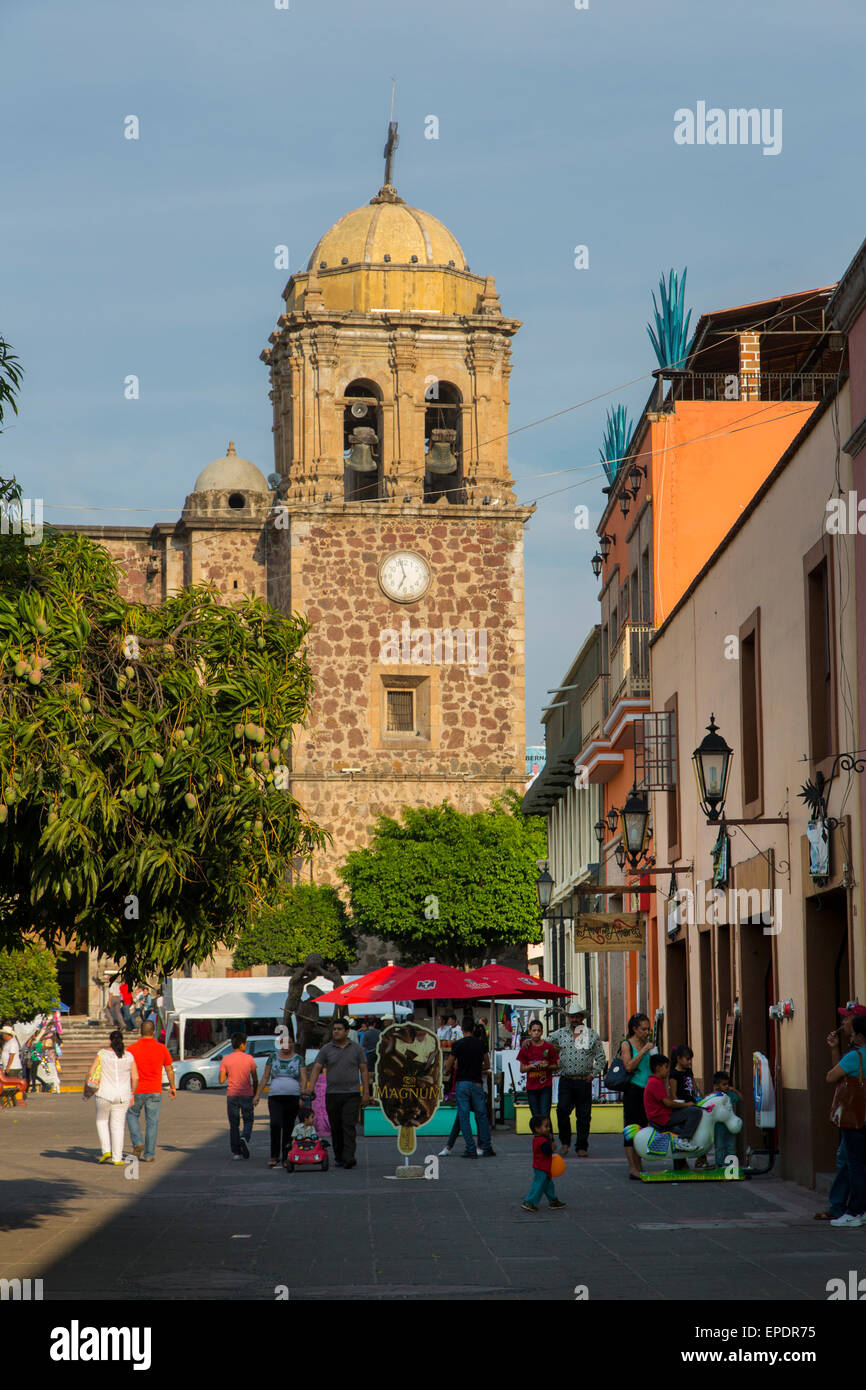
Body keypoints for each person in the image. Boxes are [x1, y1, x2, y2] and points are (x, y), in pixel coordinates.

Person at [305, 1017, 371, 1169]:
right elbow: (316, 1067)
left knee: (348, 1125)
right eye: (334, 1029)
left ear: (347, 1031)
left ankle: (349, 1157)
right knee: (336, 1127)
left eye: (339, 1029)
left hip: (352, 1093)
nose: (336, 1032)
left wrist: (366, 1092)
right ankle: (339, 1156)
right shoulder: (326, 1049)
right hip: (332, 1094)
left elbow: (364, 1070)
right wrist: (311, 1087)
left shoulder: (356, 1048)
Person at [549, 1007, 607, 1157]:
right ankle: (565, 1142)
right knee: (562, 1111)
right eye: (572, 1017)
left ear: (582, 1018)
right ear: (568, 1018)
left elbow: (601, 1057)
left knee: (584, 1115)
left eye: (577, 1017)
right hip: (566, 1080)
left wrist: (593, 1074)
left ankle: (582, 1146)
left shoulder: (592, 1035)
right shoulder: (560, 1034)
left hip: (584, 1081)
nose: (574, 1020)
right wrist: (529, 1041)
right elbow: (545, 1044)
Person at [826, 1012, 866, 1227]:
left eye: (847, 1019)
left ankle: (855, 1210)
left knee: (855, 1164)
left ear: (859, 1035)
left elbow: (832, 1076)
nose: (843, 1023)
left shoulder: (855, 1056)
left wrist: (835, 1050)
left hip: (855, 1117)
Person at [126, 1019, 176, 1163]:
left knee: (131, 1114)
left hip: (136, 1089)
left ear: (140, 1032)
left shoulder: (131, 1049)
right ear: (154, 1032)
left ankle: (137, 1142)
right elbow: (169, 1069)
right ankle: (149, 1154)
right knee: (152, 1122)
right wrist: (172, 1087)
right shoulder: (161, 1048)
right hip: (154, 1090)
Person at [255, 1033, 307, 1168]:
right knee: (275, 1124)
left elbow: (303, 1079)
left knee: (289, 1127)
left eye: (289, 1042)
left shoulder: (299, 1059)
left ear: (293, 1044)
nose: (286, 1045)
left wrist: (303, 1096)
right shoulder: (272, 1057)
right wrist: (257, 1095)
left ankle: (286, 1156)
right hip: (275, 1097)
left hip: (293, 1097)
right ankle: (274, 1155)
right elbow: (265, 1077)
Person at [88, 1029, 138, 1165]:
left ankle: (106, 1150)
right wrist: (132, 1092)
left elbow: (91, 1072)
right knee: (118, 1125)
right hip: (123, 1094)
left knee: (101, 1121)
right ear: (122, 1041)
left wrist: (88, 1088)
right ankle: (117, 1158)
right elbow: (135, 1077)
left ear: (110, 1041)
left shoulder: (102, 1054)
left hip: (104, 1093)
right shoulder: (129, 1056)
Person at [450, 1016, 496, 1158]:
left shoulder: (457, 1045)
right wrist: (476, 1068)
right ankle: (486, 1147)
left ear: (462, 1029)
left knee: (464, 1116)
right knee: (482, 1115)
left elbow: (449, 1065)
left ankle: (470, 1148)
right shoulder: (481, 1044)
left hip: (462, 1083)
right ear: (474, 1028)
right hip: (477, 1082)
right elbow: (487, 1065)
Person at [619, 1013, 658, 1179]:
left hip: (647, 1090)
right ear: (634, 1029)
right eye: (643, 1029)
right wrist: (643, 1051)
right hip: (633, 1089)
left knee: (643, 1127)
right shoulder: (627, 1044)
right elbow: (628, 1066)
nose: (646, 1032)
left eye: (648, 1029)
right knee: (631, 1128)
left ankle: (639, 1162)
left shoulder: (649, 1044)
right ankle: (632, 1167)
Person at [643, 1054, 702, 1149]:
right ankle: (684, 1139)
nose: (667, 1070)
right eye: (666, 1067)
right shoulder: (655, 1083)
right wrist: (687, 1104)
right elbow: (668, 1103)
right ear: (658, 1068)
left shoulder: (656, 1081)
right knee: (695, 1111)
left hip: (661, 1115)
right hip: (660, 1117)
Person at [219, 1033, 260, 1160]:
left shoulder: (226, 1059)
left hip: (232, 1095)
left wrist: (228, 1073)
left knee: (234, 1124)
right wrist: (255, 1092)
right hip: (247, 1094)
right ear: (242, 1044)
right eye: (245, 1043)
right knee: (248, 1120)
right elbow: (255, 1078)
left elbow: (221, 1080)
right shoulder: (249, 1059)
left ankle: (236, 1152)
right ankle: (245, 1137)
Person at [521, 1114, 566, 1212]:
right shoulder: (541, 1141)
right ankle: (529, 1201)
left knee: (548, 1185)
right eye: (546, 1126)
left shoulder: (538, 1139)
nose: (548, 1128)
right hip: (542, 1167)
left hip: (543, 1166)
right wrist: (552, 1144)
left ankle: (553, 1200)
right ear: (537, 1129)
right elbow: (547, 1151)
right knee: (538, 1185)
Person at [516, 1020, 559, 1119]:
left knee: (545, 1115)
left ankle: (548, 1134)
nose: (536, 1033)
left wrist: (547, 1066)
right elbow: (522, 1069)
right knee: (535, 1116)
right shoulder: (525, 1047)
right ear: (529, 1032)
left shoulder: (549, 1047)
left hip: (545, 1086)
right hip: (531, 1087)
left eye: (538, 1030)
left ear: (542, 1032)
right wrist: (531, 1067)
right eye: (534, 1030)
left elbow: (556, 1066)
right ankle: (538, 1135)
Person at [708, 1070, 741, 1169]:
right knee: (719, 1146)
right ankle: (719, 1165)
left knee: (731, 1146)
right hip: (719, 1126)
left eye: (727, 1084)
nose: (727, 1086)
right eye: (724, 1084)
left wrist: (734, 1090)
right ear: (717, 1086)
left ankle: (731, 1166)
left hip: (730, 1126)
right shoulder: (714, 1096)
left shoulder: (730, 1095)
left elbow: (740, 1098)